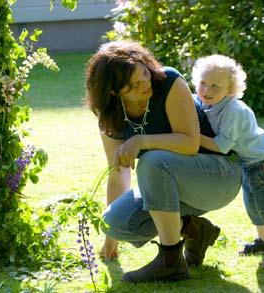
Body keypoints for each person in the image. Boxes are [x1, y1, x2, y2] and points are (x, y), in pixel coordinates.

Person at [85, 41, 242, 282]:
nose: (145, 83)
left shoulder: (168, 81)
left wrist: (141, 140)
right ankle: (194, 229)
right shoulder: (111, 116)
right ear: (114, 92)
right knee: (113, 222)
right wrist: (110, 241)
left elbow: (190, 143)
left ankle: (171, 261)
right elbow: (119, 173)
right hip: (171, 189)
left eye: (145, 73)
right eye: (134, 84)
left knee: (152, 161)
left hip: (219, 177)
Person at [191, 54, 264, 268]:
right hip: (247, 163)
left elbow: (221, 145)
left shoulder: (234, 110)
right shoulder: (206, 104)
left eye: (215, 86)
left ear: (230, 90)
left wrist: (190, 136)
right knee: (254, 205)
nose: (207, 90)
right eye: (203, 83)